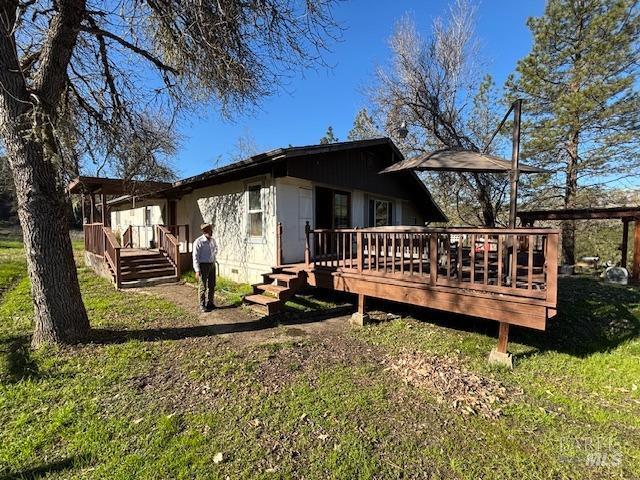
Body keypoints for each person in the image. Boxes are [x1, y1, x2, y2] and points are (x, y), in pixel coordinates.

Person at [192, 223, 218, 312]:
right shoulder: (198, 241)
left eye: (211, 230)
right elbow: (195, 256)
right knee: (203, 286)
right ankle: (202, 305)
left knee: (212, 285)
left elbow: (215, 249)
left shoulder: (212, 240)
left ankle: (210, 303)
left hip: (212, 264)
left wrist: (214, 257)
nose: (211, 232)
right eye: (209, 230)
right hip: (203, 265)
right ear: (205, 231)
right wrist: (197, 270)